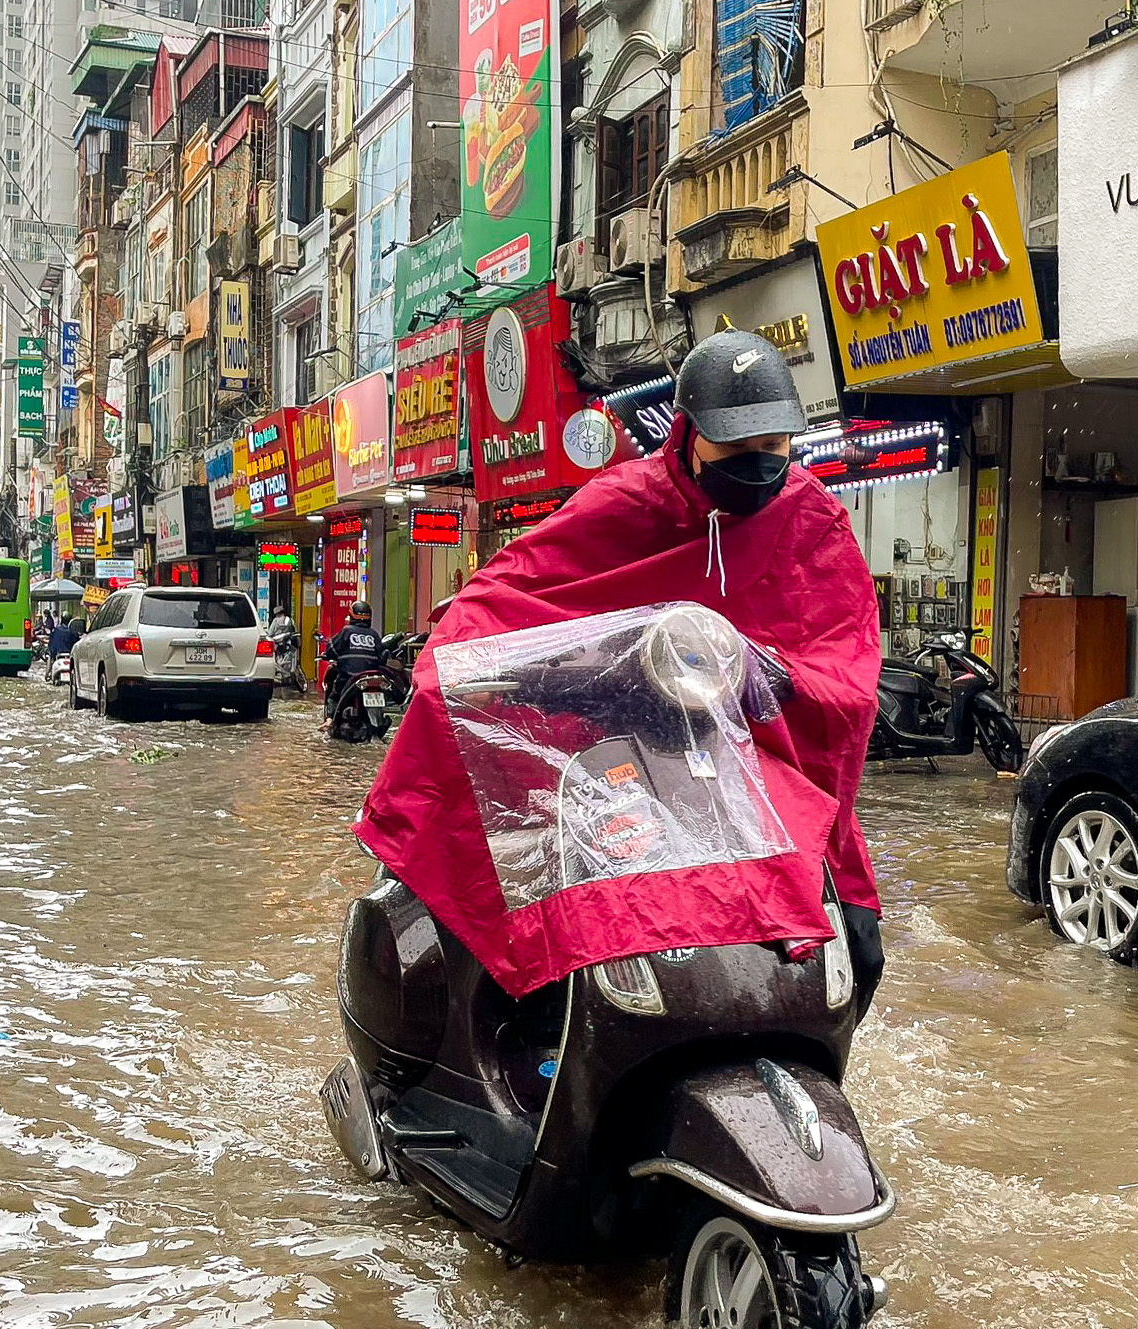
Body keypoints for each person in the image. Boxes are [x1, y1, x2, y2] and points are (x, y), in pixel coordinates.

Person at [354, 328, 885, 1009]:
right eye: (736, 446)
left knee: (854, 952)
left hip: (753, 779)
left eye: (771, 446)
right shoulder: (625, 504)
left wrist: (768, 676)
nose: (756, 463)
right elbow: (512, 592)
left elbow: (846, 676)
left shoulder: (813, 523)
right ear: (689, 432)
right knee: (526, 955)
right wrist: (455, 670)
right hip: (620, 771)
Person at [322, 600, 384, 720]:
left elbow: (332, 649)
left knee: (333, 696)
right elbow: (381, 656)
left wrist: (328, 654)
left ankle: (329, 721)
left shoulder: (347, 631)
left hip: (348, 677)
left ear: (352, 616)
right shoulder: (374, 635)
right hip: (370, 678)